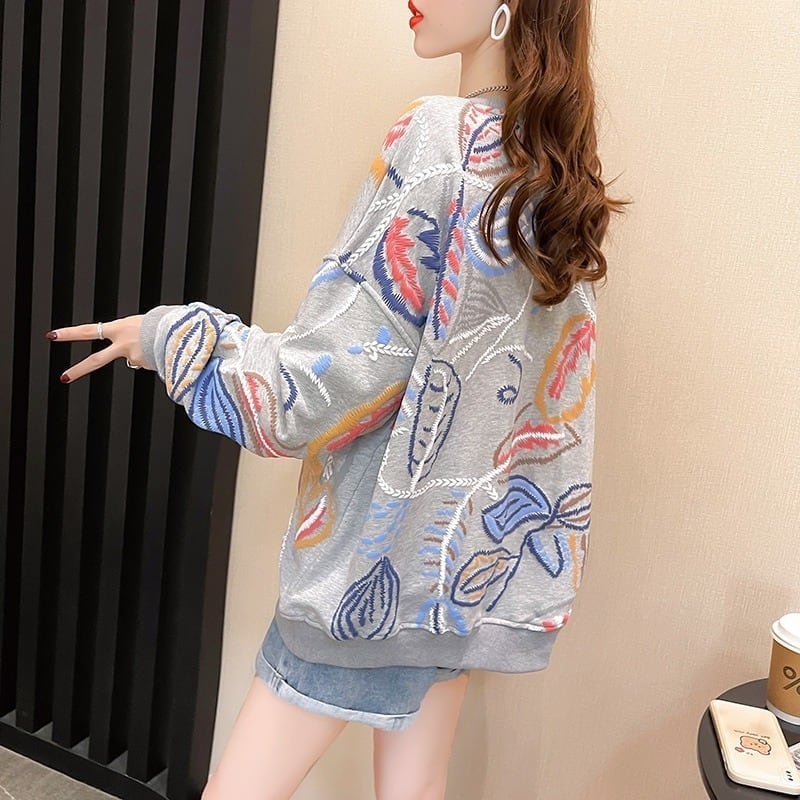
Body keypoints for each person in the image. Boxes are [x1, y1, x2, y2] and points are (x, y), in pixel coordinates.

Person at [47, 1, 627, 797]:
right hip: (460, 580)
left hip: (369, 577)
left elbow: (320, 387)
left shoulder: (439, 140)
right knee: (415, 790)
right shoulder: (556, 175)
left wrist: (171, 338)